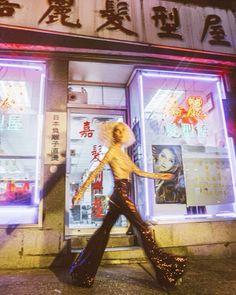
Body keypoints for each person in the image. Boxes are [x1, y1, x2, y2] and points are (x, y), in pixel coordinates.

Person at [69, 121, 187, 290]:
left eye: (122, 130)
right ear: (112, 134)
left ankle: (82, 272)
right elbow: (96, 172)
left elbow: (139, 172)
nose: (119, 133)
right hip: (120, 196)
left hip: (120, 196)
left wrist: (161, 175)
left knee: (103, 232)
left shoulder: (124, 155)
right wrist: (79, 193)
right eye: (116, 131)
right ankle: (167, 272)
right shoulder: (111, 152)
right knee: (144, 228)